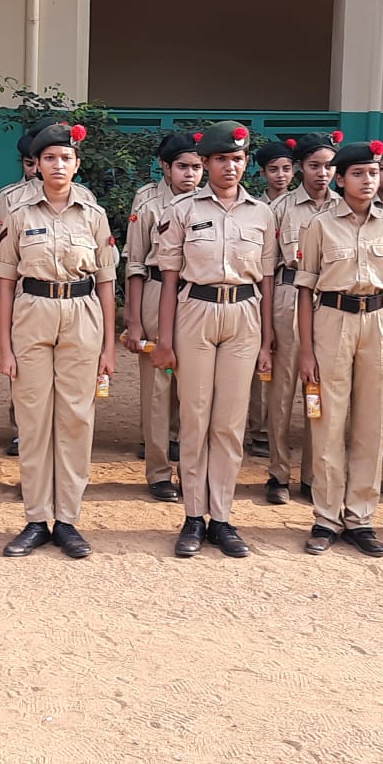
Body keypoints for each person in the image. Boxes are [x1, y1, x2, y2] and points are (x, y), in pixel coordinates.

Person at [154, 121, 277, 559]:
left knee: (229, 421)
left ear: (246, 163)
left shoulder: (262, 213)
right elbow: (169, 279)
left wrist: (267, 342)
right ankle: (193, 515)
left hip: (244, 314)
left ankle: (221, 517)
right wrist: (164, 340)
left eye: (237, 159)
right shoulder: (183, 210)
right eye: (221, 159)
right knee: (195, 417)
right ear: (205, 163)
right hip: (196, 311)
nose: (230, 167)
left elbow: (267, 280)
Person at [0, 122, 115, 558]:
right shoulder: (20, 214)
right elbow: (5, 280)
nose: (58, 165)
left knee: (76, 419)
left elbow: (107, 280)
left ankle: (67, 520)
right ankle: (35, 517)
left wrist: (109, 346)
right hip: (33, 313)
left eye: (65, 158)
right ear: (37, 165)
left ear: (77, 164)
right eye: (49, 158)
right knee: (32, 418)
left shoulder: (94, 215)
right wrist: (5, 345)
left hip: (82, 313)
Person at [296, 141, 383, 556]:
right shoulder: (320, 225)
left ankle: (361, 516)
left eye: (373, 173)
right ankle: (326, 517)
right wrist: (306, 351)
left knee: (373, 424)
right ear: (340, 180)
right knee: (327, 422)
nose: (368, 181)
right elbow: (305, 289)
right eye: (358, 174)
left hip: (380, 322)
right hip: (333, 320)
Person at [123, 132, 201, 501]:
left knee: (194, 387)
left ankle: (192, 471)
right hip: (156, 291)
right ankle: (158, 472)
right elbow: (135, 263)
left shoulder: (208, 202)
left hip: (196, 296)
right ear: (165, 167)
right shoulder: (148, 202)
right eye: (182, 166)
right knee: (157, 388)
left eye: (197, 167)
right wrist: (134, 319)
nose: (190, 174)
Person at [265, 131, 340, 504]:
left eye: (329, 166)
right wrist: (267, 327)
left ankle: (313, 474)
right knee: (282, 392)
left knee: (319, 389)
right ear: (300, 168)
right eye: (314, 166)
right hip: (289, 297)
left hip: (329, 303)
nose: (322, 173)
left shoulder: (344, 206)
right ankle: (278, 473)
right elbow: (267, 268)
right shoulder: (280, 208)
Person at [246, 138, 294, 458]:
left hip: (300, 292)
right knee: (265, 363)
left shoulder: (300, 206)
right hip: (269, 288)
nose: (281, 175)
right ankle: (259, 428)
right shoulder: (257, 208)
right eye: (274, 169)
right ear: (263, 172)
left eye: (286, 169)